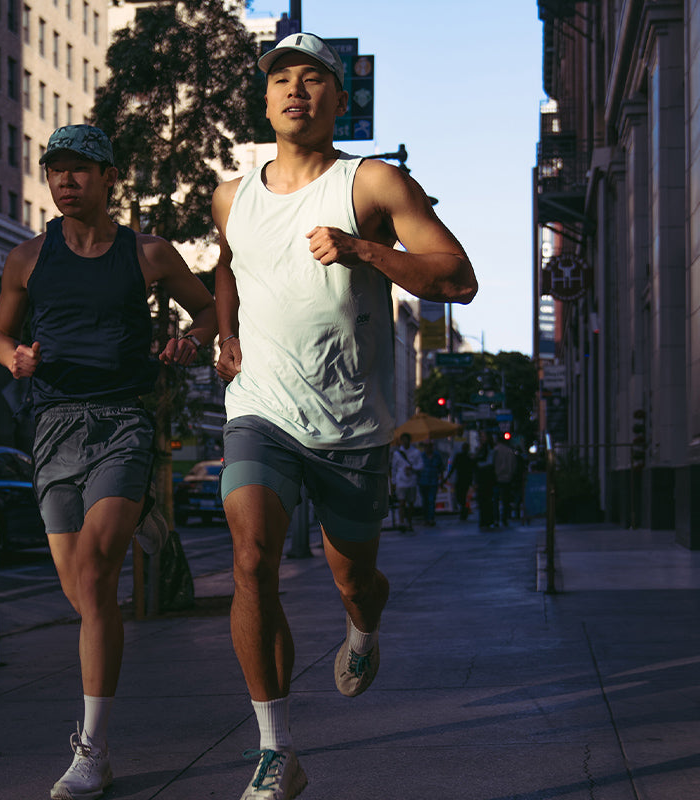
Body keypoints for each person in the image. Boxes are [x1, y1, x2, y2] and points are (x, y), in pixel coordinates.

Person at [212, 32, 477, 799]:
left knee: (352, 575)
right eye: (281, 80)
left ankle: (365, 623)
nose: (296, 90)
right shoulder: (233, 195)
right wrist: (225, 332)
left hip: (352, 425)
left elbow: (458, 279)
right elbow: (230, 263)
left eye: (314, 79)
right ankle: (276, 748)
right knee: (252, 558)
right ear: (265, 102)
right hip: (259, 407)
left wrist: (365, 250)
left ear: (339, 97)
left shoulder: (373, 184)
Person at [0, 123, 217, 800]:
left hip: (123, 421)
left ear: (110, 177)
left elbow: (205, 311)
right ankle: (147, 515)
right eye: (56, 170)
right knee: (83, 594)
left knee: (94, 576)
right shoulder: (28, 257)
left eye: (80, 169)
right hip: (54, 428)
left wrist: (190, 342)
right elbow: (1, 331)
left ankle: (93, 750)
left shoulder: (147, 252)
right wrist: (14, 358)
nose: (66, 180)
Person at [391, 432, 424, 531]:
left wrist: (412, 468)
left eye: (406, 439)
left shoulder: (416, 452)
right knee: (401, 503)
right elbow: (393, 468)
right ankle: (401, 522)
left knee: (411, 503)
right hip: (401, 481)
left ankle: (409, 522)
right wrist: (393, 482)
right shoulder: (397, 454)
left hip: (412, 481)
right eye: (403, 440)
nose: (405, 442)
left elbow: (421, 466)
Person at [418, 440, 445, 525]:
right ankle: (426, 518)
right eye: (427, 446)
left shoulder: (437, 456)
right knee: (425, 501)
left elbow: (441, 468)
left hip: (433, 482)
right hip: (423, 481)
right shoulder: (421, 456)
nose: (428, 448)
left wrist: (442, 480)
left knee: (431, 500)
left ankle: (431, 518)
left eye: (430, 446)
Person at [445, 441, 474, 521]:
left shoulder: (463, 457)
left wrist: (447, 477)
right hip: (464, 479)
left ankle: (463, 510)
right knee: (461, 496)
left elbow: (453, 467)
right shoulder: (467, 458)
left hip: (462, 479)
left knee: (460, 496)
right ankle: (464, 509)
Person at [492, 436, 518, 526]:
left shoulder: (495, 450)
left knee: (496, 499)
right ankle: (505, 518)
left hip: (497, 478)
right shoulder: (510, 451)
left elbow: (492, 463)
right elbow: (514, 465)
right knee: (505, 499)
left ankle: (496, 519)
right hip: (507, 478)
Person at [474, 432, 496, 530]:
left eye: (483, 436)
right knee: (486, 500)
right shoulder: (487, 448)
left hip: (485, 476)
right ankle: (487, 520)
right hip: (486, 476)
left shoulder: (486, 448)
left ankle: (486, 520)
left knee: (484, 500)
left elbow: (483, 460)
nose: (481, 438)